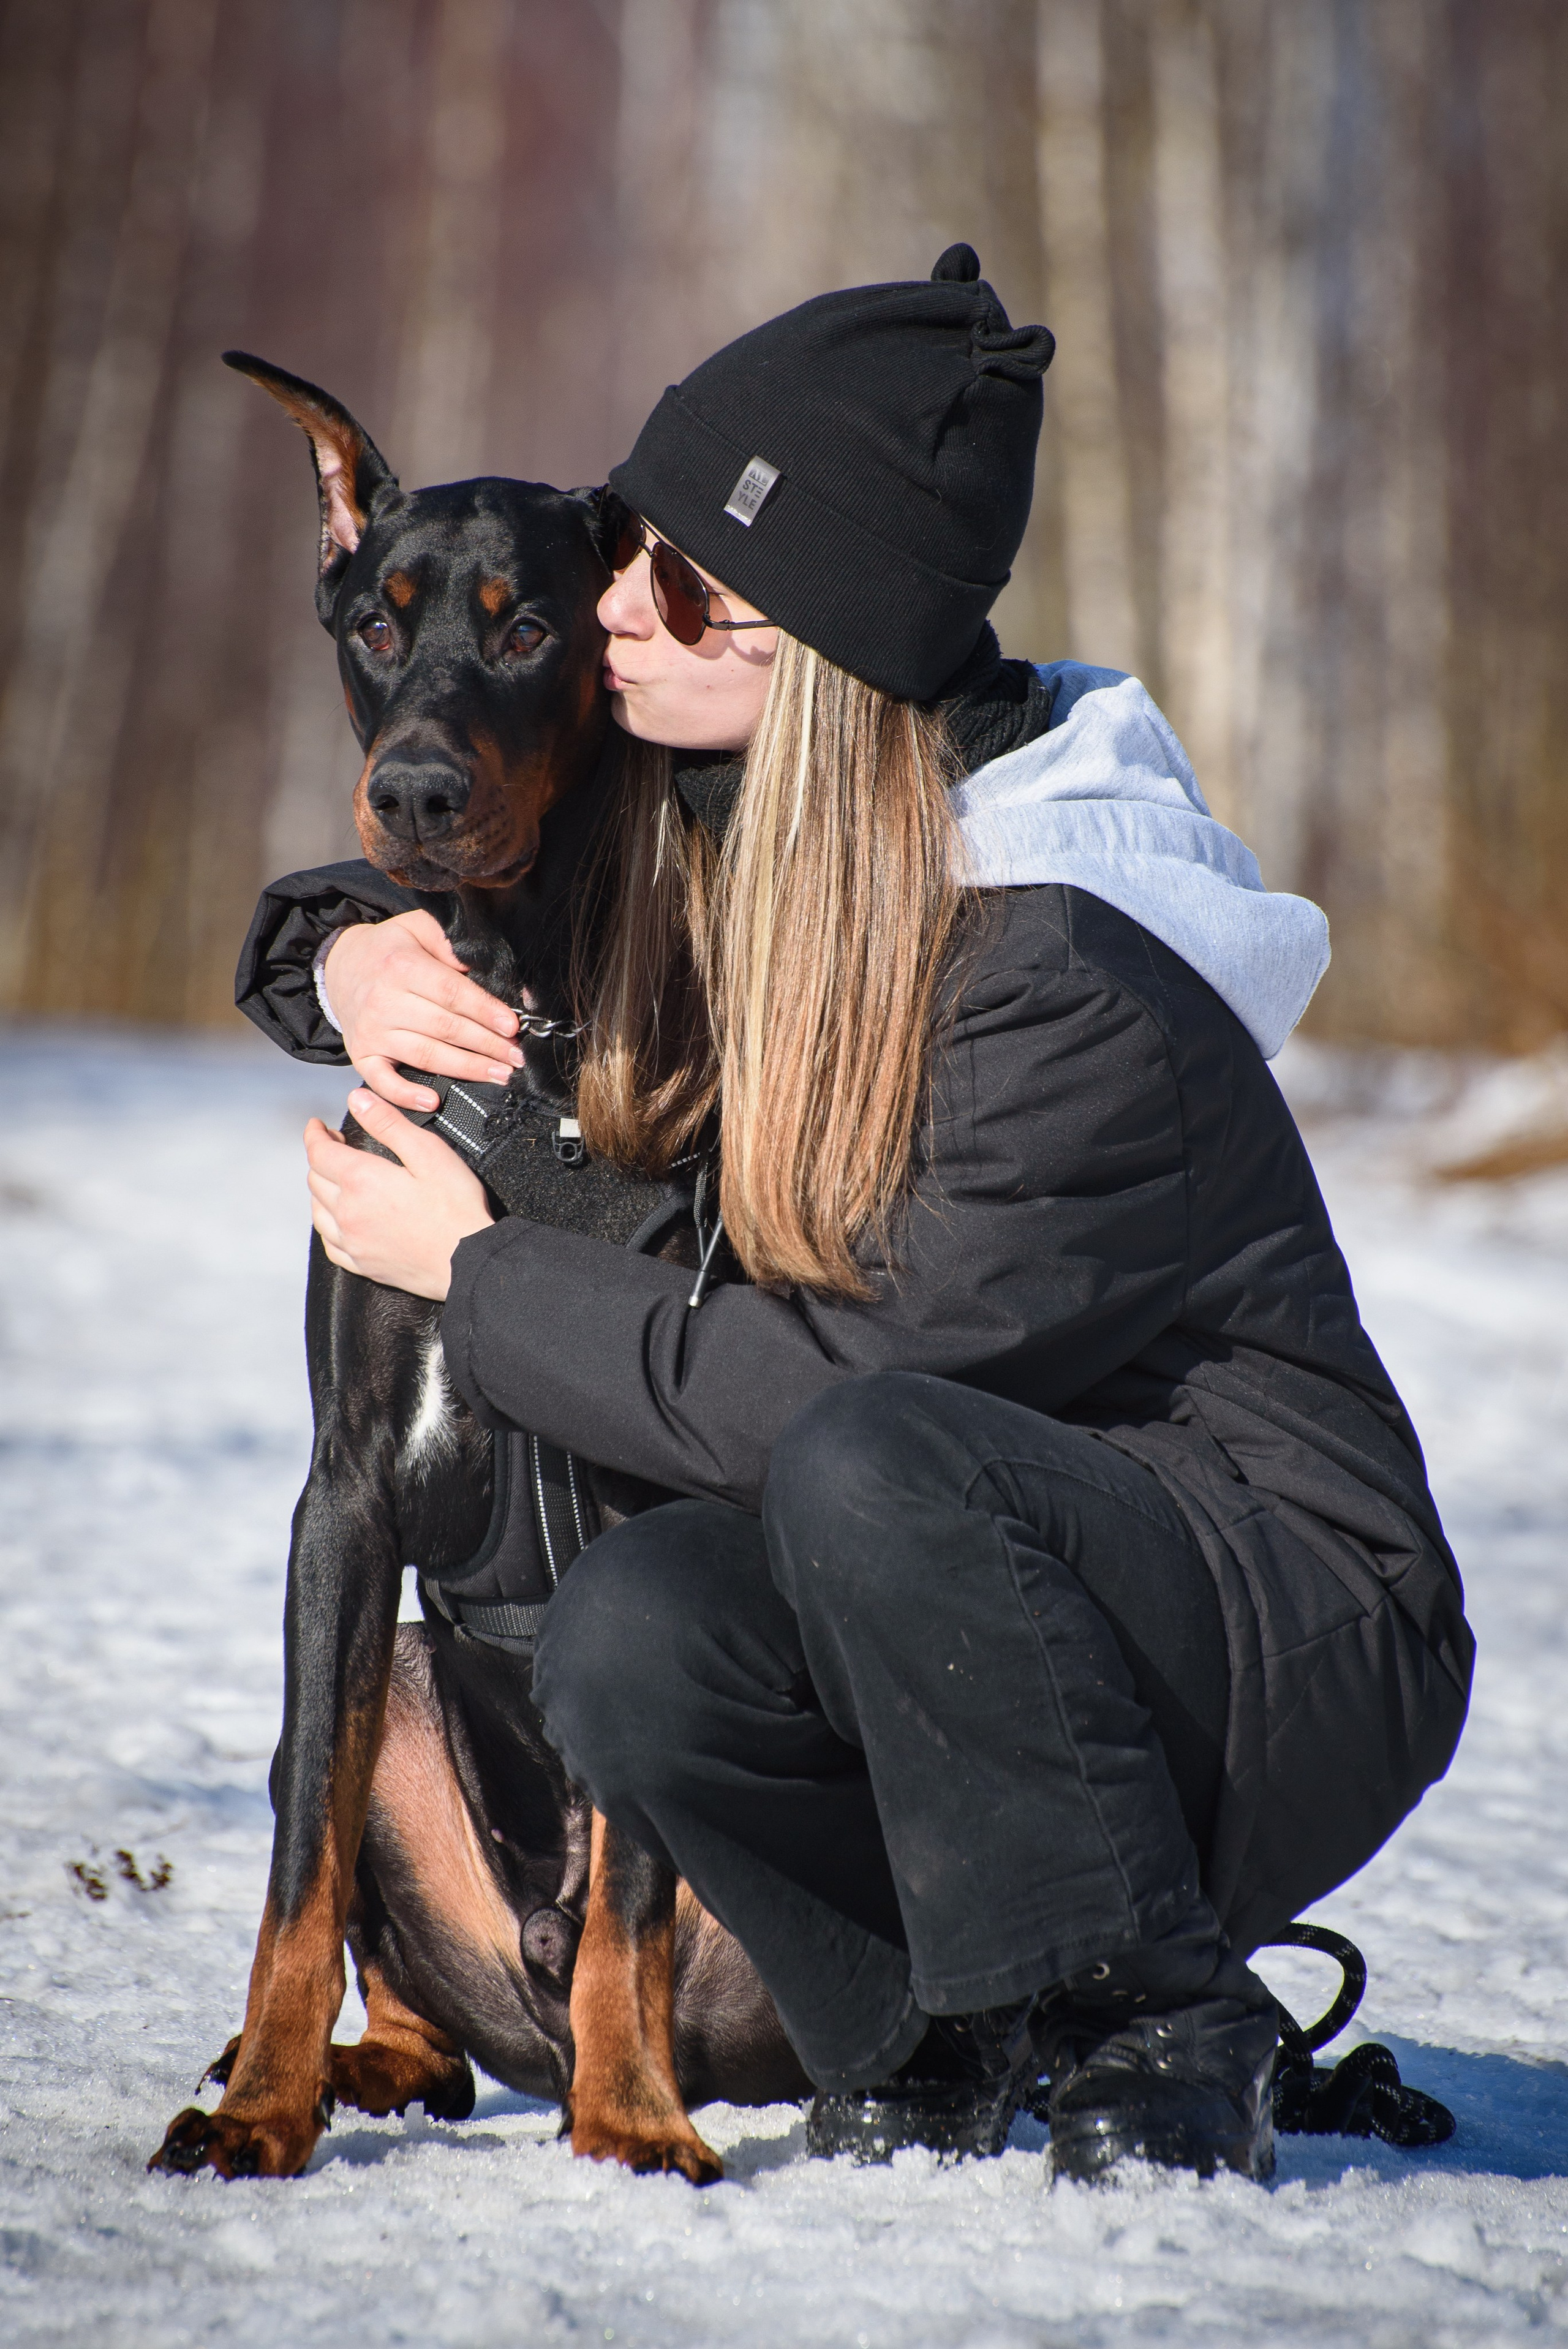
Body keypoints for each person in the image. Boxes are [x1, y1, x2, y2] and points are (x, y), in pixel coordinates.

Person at [239, 246, 1472, 2182]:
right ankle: (928, 2036)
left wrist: (472, 1280)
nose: (617, 615)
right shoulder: (806, 810)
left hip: (1280, 1629)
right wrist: (352, 965)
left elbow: (848, 1382)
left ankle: (1163, 2008)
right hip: (1003, 1572)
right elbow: (495, 842)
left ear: (814, 633)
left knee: (857, 1455)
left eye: (677, 582)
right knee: (633, 1625)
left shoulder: (1057, 956)